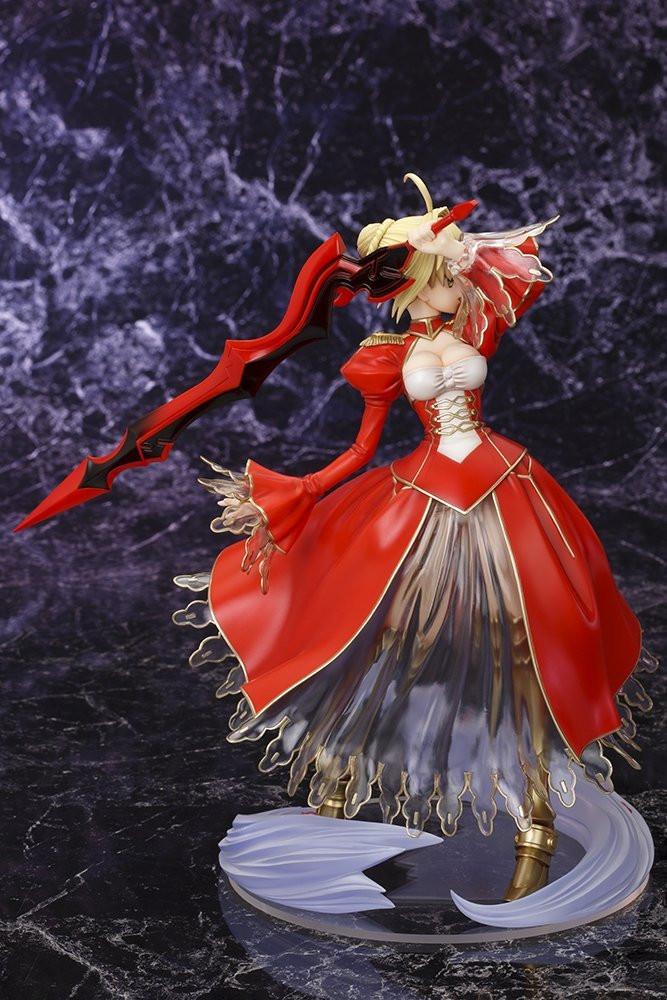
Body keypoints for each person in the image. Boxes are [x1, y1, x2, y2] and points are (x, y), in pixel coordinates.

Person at [174, 174, 654, 900]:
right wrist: (297, 493)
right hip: (423, 494)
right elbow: (360, 450)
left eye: (460, 267)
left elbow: (522, 276)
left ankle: (536, 828)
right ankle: (333, 801)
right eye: (446, 270)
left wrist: (456, 244)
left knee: (524, 642)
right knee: (382, 638)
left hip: (502, 485)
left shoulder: (478, 325)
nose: (460, 277)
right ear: (414, 279)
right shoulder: (384, 355)